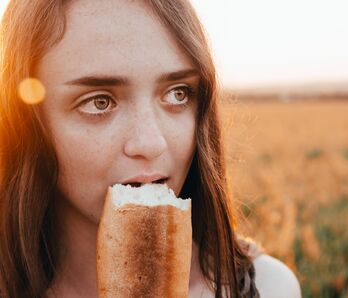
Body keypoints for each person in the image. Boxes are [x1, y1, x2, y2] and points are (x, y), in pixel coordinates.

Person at [0, 0, 301, 297]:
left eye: (177, 94)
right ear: (24, 124)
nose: (151, 143)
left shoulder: (270, 287)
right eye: (99, 101)